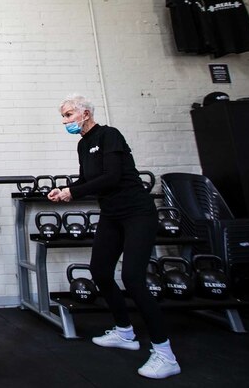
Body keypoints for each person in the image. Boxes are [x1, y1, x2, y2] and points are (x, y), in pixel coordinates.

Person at [47, 94, 181, 379]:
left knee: (133, 278)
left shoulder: (109, 135)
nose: (65, 121)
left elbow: (112, 177)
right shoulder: (83, 144)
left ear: (85, 113)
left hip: (137, 213)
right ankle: (124, 332)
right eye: (63, 116)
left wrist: (74, 193)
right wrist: (64, 189)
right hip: (111, 214)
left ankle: (165, 354)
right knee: (100, 271)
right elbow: (86, 179)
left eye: (69, 115)